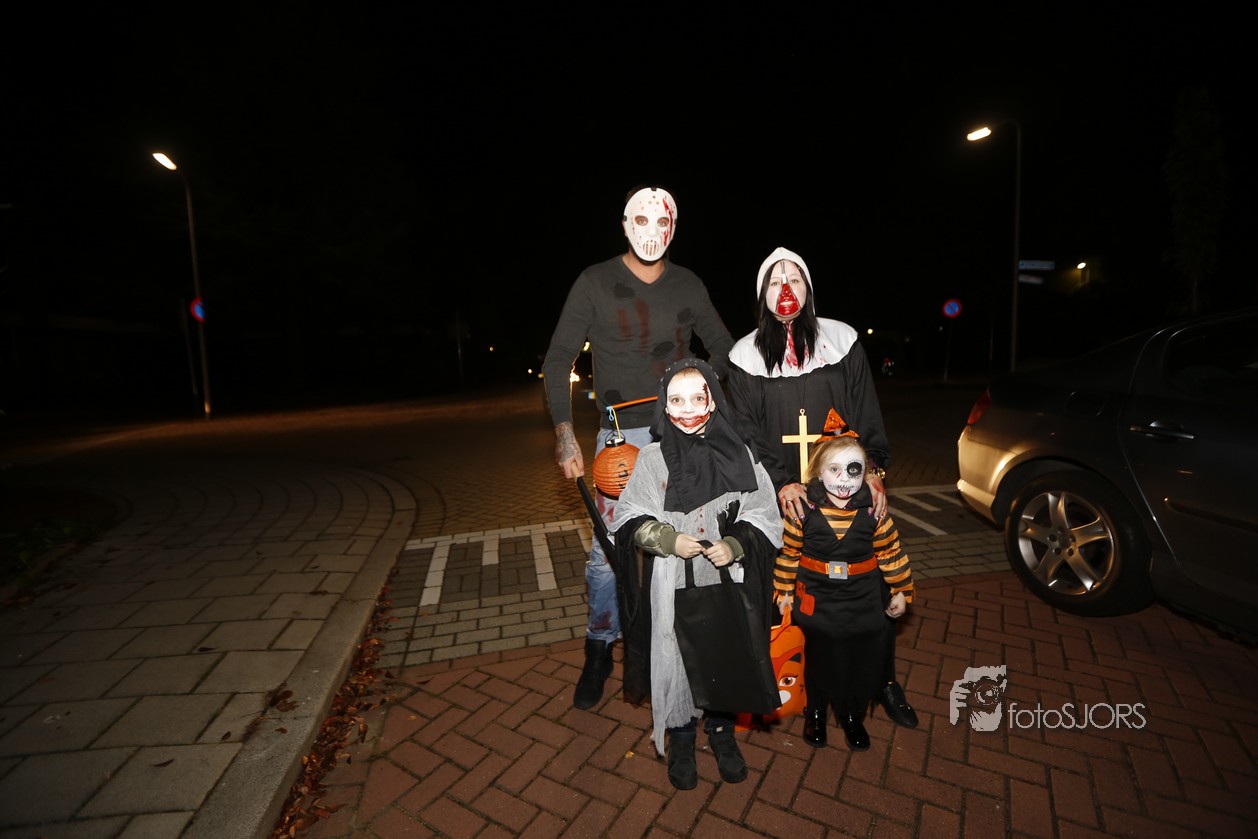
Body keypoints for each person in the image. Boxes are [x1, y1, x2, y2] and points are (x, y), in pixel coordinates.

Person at [542, 186, 734, 710]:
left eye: (662, 221)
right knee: (609, 555)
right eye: (641, 220)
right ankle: (600, 647)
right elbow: (558, 360)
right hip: (619, 441)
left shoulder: (688, 284)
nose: (652, 231)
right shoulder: (594, 281)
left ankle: (683, 646)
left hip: (680, 434)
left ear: (674, 227)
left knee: (687, 542)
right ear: (625, 224)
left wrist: (698, 390)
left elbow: (724, 349)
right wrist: (565, 435)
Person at [726, 246, 917, 730]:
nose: (785, 288)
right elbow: (746, 432)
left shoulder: (842, 340)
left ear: (808, 287)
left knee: (869, 592)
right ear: (762, 293)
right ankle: (807, 688)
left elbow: (866, 411)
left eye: (794, 278)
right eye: (774, 281)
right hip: (786, 497)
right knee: (797, 593)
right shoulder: (744, 356)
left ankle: (882, 681)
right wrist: (782, 482)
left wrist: (872, 470)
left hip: (844, 488)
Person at [609, 359, 783, 789]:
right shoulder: (652, 459)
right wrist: (668, 539)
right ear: (664, 406)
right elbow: (629, 518)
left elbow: (764, 512)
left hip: (725, 580)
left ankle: (722, 730)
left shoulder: (741, 454)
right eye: (677, 400)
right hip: (673, 581)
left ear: (713, 401)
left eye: (696, 398)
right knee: (677, 654)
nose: (687, 409)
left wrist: (735, 543)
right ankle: (682, 734)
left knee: (724, 651)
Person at [773, 431, 914, 751]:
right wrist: (784, 592)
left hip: (861, 598)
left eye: (853, 470)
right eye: (834, 470)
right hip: (817, 598)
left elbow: (890, 552)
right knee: (818, 656)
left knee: (857, 660)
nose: (844, 480)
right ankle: (816, 713)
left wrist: (901, 590)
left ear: (865, 473)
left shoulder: (874, 510)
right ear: (818, 473)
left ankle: (852, 715)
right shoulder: (802, 510)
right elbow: (789, 554)